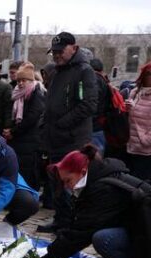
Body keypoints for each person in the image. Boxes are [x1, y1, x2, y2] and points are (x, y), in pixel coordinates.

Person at [43, 145, 151, 258]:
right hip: (136, 231)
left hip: (148, 236)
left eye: (68, 181)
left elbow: (82, 232)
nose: (66, 187)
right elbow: (78, 222)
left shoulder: (102, 189)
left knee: (103, 239)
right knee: (103, 233)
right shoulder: (97, 179)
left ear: (82, 172)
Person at [38, 31, 97, 234]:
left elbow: (88, 104)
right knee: (56, 182)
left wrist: (63, 123)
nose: (56, 55)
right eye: (53, 52)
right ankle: (60, 219)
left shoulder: (84, 71)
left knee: (71, 184)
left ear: (74, 48)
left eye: (60, 51)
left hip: (73, 139)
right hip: (55, 137)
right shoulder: (57, 71)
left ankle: (72, 223)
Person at [8, 63, 46, 191]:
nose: (20, 83)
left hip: (31, 141)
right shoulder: (18, 95)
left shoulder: (37, 94)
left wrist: (13, 131)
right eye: (18, 80)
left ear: (31, 81)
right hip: (21, 140)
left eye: (23, 80)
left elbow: (32, 118)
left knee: (29, 171)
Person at [89, 58, 110, 155]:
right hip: (99, 127)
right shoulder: (103, 80)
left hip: (93, 128)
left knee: (93, 160)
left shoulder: (94, 80)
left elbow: (92, 105)